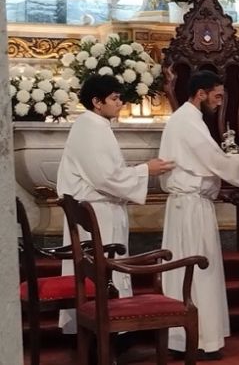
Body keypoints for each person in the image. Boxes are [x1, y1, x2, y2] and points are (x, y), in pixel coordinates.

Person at [57, 74, 174, 333]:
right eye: (114, 98)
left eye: (120, 97)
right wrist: (146, 170)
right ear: (97, 102)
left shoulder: (93, 125)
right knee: (104, 276)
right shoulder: (91, 128)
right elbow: (106, 177)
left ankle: (106, 334)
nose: (120, 103)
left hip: (100, 210)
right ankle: (108, 334)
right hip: (98, 213)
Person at [158, 70, 239, 360]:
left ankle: (182, 337)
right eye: (217, 95)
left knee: (187, 271)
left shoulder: (187, 119)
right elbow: (215, 161)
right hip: (192, 207)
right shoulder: (187, 121)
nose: (220, 102)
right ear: (200, 93)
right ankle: (200, 339)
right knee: (199, 270)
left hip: (188, 206)